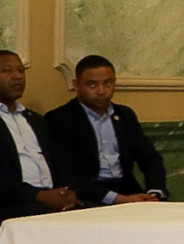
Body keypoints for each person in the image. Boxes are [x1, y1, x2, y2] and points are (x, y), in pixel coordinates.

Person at [44, 55, 167, 205]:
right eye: (92, 85)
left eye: (108, 83)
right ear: (76, 84)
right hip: (88, 196)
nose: (101, 91)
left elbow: (150, 158)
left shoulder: (124, 115)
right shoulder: (60, 119)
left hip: (128, 189)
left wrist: (154, 192)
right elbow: (68, 173)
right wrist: (117, 199)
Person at [0, 50, 82, 222]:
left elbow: (60, 163)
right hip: (12, 204)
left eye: (21, 71)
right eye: (7, 71)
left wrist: (68, 193)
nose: (17, 76)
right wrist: (39, 196)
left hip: (50, 198)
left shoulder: (35, 119)